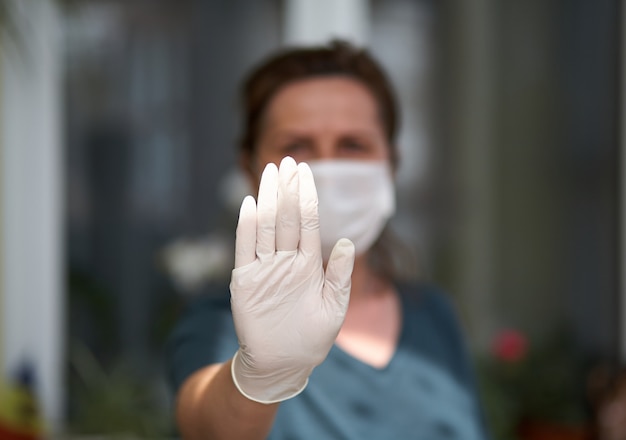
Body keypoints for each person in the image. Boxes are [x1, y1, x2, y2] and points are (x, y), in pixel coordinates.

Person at [165, 40, 489, 440]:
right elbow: (207, 425)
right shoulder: (219, 323)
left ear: (391, 165)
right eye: (296, 146)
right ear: (249, 168)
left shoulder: (434, 315)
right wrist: (259, 379)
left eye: (353, 145)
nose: (327, 169)